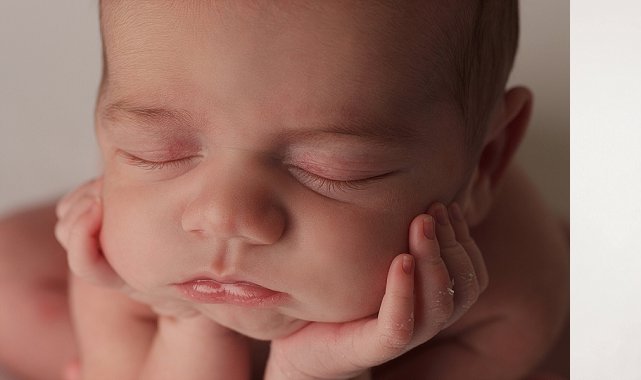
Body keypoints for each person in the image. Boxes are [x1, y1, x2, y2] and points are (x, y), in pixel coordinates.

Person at [0, 1, 569, 379]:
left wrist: (317, 371)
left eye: (334, 169)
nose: (224, 216)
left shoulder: (504, 303)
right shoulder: (122, 256)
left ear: (485, 162)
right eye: (155, 150)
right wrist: (182, 321)